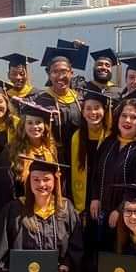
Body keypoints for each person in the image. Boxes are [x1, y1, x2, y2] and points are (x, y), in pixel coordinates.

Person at [89, 97, 136, 254]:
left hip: (128, 217)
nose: (127, 120)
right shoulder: (109, 142)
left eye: (134, 117)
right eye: (124, 115)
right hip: (101, 212)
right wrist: (94, 197)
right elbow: (96, 173)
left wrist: (121, 209)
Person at [70, 89, 114, 272]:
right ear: (83, 111)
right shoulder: (77, 137)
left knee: (103, 239)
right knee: (84, 239)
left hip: (103, 194)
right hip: (82, 194)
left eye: (97, 108)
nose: (93, 112)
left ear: (104, 110)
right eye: (88, 108)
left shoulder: (112, 136)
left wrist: (98, 197)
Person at [34, 46, 83, 190]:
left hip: (79, 155)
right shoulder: (41, 101)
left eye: (64, 71)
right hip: (53, 157)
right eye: (55, 71)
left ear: (72, 73)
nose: (60, 76)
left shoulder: (81, 99)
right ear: (49, 75)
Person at [0, 100, 58, 207]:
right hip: (20, 207)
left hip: (48, 206)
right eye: (30, 123)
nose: (34, 127)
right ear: (23, 126)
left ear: (45, 126)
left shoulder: (53, 150)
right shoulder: (12, 151)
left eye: (38, 122)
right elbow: (5, 187)